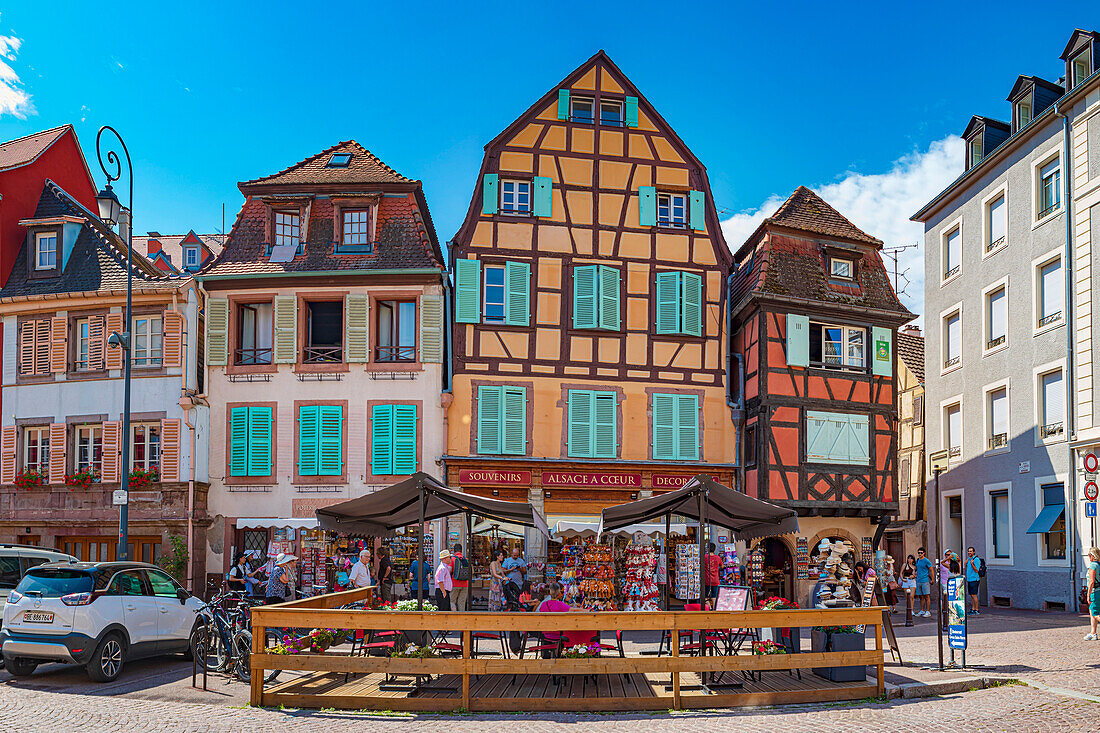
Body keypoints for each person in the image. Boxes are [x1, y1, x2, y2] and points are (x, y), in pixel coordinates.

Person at [450, 544, 470, 611]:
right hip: (465, 584)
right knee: (462, 602)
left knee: (452, 601)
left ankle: (454, 617)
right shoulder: (466, 559)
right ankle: (462, 618)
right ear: (461, 550)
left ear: (453, 550)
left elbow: (449, 570)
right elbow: (471, 572)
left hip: (455, 583)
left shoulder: (452, 559)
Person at [1086, 547, 1100, 641]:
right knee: (1092, 612)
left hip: (1095, 592)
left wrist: (1088, 595)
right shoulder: (1099, 565)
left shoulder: (1093, 566)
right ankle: (1093, 633)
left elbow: (1091, 581)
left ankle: (1093, 633)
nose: (1088, 556)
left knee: (1095, 614)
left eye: (1089, 555)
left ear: (1092, 556)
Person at [915, 547, 933, 617]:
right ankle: (922, 610)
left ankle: (928, 611)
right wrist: (914, 572)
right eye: (918, 553)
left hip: (925, 580)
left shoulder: (926, 561)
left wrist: (932, 579)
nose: (919, 554)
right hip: (919, 580)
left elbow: (931, 570)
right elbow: (916, 568)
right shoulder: (917, 561)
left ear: (924, 553)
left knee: (927, 596)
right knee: (921, 596)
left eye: (921, 553)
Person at [965, 546, 982, 616]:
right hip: (969, 579)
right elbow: (967, 569)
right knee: (971, 595)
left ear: (974, 552)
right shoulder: (969, 559)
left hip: (974, 579)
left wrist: (972, 564)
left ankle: (977, 610)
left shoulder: (976, 560)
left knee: (974, 595)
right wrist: (965, 564)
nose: (969, 552)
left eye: (971, 551)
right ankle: (973, 609)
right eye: (968, 551)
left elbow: (976, 570)